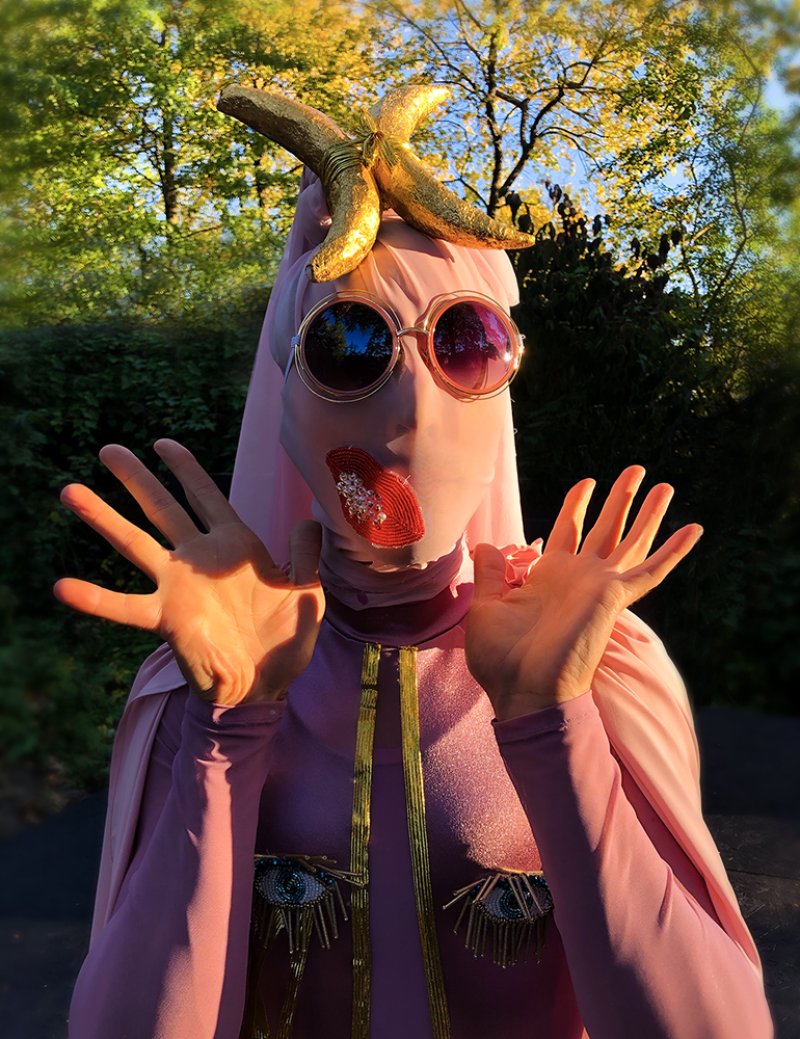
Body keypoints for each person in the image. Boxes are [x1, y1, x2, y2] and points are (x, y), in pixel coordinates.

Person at [57, 85, 773, 1038]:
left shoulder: (599, 660)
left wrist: (557, 729)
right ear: (285, 389)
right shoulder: (198, 678)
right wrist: (225, 730)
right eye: (347, 345)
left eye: (467, 343)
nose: (409, 416)